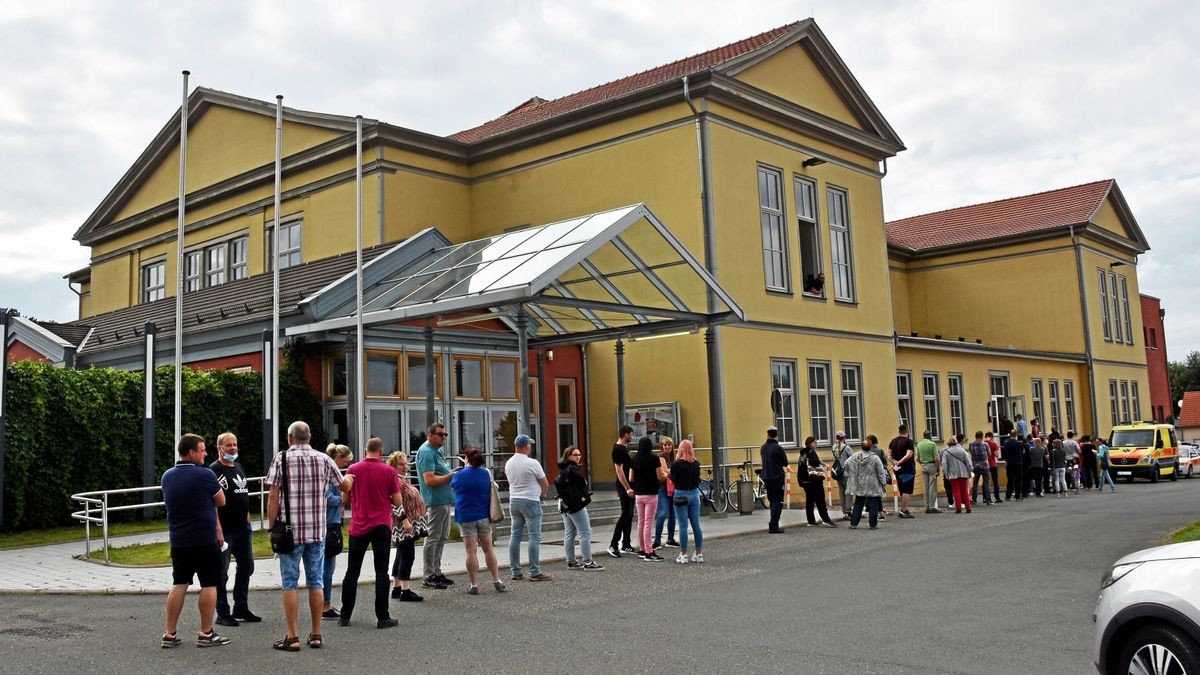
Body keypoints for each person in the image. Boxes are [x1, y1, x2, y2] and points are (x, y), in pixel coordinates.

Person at [266, 421, 353, 651]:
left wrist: (270, 525)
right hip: (317, 530)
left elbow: (273, 495)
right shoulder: (324, 459)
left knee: (290, 583)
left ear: (289, 437)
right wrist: (351, 479)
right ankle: (316, 634)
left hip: (289, 531)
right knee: (316, 582)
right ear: (310, 436)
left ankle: (292, 636)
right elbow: (343, 486)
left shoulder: (281, 458)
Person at [161, 433, 230, 648]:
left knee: (179, 583)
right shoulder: (205, 475)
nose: (205, 454)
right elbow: (221, 500)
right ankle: (206, 633)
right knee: (210, 584)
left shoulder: (167, 476)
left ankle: (169, 633)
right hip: (204, 539)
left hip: (179, 540)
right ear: (191, 452)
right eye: (202, 450)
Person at [339, 438, 403, 629]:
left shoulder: (353, 470)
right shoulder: (389, 472)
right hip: (381, 524)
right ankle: (383, 617)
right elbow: (398, 501)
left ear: (365, 450)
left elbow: (345, 497)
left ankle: (345, 614)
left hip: (359, 525)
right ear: (381, 451)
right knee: (381, 571)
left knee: (352, 571)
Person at [209, 432, 259, 627]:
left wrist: (247, 519)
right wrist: (217, 528)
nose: (233, 448)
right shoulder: (214, 470)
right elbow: (212, 502)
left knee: (247, 566)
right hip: (225, 529)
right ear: (219, 448)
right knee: (222, 571)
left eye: (235, 445)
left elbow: (242, 493)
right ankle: (222, 612)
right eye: (228, 445)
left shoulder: (238, 467)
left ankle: (241, 606)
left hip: (242, 528)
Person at [450, 448, 506, 594]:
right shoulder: (486, 473)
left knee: (470, 551)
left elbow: (454, 489)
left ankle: (474, 585)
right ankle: (497, 580)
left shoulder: (458, 475)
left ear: (467, 459)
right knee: (488, 549)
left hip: (466, 516)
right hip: (484, 515)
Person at [506, 434, 553, 580]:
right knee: (534, 537)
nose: (530, 447)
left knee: (515, 536)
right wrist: (542, 495)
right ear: (526, 446)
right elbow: (545, 483)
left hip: (514, 500)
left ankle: (515, 571)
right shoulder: (532, 463)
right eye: (530, 444)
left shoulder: (509, 463)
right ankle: (534, 571)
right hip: (531, 501)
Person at [416, 422, 455, 590]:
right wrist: (450, 476)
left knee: (441, 537)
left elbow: (441, 472)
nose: (443, 437)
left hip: (445, 501)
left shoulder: (437, 450)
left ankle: (436, 572)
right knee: (433, 537)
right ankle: (428, 575)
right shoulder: (426, 452)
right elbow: (429, 480)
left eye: (445, 434)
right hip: (435, 502)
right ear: (430, 435)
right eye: (440, 434)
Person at [555, 446, 604, 570]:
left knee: (569, 533)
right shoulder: (573, 470)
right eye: (575, 455)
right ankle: (587, 561)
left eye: (579, 455)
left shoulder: (563, 469)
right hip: (575, 505)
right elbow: (583, 483)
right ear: (568, 456)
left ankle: (571, 561)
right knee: (585, 532)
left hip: (564, 504)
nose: (578, 457)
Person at [387, 451, 426, 602]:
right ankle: (406, 590)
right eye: (402, 464)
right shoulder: (395, 480)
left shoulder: (400, 479)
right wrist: (405, 521)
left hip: (408, 522)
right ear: (393, 466)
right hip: (404, 524)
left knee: (401, 554)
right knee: (407, 555)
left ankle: (397, 587)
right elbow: (395, 503)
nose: (406, 467)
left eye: (406, 464)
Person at [321, 444, 353, 619]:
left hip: (331, 521)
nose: (346, 464)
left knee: (326, 566)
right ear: (338, 457)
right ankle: (325, 605)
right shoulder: (329, 474)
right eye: (345, 460)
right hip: (329, 523)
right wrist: (344, 496)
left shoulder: (329, 472)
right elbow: (327, 499)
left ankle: (325, 603)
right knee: (327, 567)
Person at [629, 436, 667, 561]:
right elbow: (660, 476)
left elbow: (631, 478)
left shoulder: (634, 459)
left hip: (639, 494)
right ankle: (649, 552)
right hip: (651, 493)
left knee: (641, 522)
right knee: (648, 523)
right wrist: (667, 475)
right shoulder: (654, 458)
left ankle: (641, 549)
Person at [670, 439, 704, 563]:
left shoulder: (676, 464)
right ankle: (699, 553)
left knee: (683, 526)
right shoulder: (696, 463)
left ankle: (684, 555)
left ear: (680, 449)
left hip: (680, 494)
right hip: (694, 494)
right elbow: (697, 478)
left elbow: (673, 480)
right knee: (696, 524)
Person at [844, 438, 889, 529]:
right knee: (873, 503)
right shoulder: (875, 458)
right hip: (872, 483)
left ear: (862, 447)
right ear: (870, 447)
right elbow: (880, 472)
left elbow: (846, 463)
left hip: (860, 483)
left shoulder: (855, 456)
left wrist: (853, 472)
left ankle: (854, 523)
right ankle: (872, 525)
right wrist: (883, 483)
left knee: (858, 502)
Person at [607, 425, 636, 558]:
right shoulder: (618, 449)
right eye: (631, 434)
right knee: (625, 514)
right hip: (624, 486)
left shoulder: (625, 448)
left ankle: (626, 544)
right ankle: (613, 544)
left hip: (631, 484)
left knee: (629, 515)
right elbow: (619, 470)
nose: (632, 436)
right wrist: (627, 487)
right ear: (625, 435)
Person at [798, 437, 837, 527]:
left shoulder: (802, 454)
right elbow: (815, 462)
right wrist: (820, 465)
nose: (816, 444)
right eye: (814, 442)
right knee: (820, 500)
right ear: (809, 444)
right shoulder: (811, 453)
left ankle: (811, 521)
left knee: (810, 501)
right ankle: (826, 519)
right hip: (813, 480)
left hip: (804, 480)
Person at [760, 426, 790, 533]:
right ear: (776, 435)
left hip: (766, 477)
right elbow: (785, 463)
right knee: (778, 501)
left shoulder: (763, 447)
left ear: (767, 435)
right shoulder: (778, 448)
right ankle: (774, 525)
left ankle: (773, 523)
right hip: (777, 477)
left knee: (772, 500)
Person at [652, 436, 679, 548]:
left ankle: (670, 539)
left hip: (674, 488)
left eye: (669, 444)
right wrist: (674, 470)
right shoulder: (661, 457)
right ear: (662, 447)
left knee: (673, 515)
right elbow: (664, 472)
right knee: (662, 514)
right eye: (665, 445)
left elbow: (670, 472)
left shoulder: (674, 457)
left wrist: (670, 472)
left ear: (672, 446)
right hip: (663, 488)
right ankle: (657, 540)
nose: (667, 447)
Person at [887, 425, 916, 518]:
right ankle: (903, 510)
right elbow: (909, 455)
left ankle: (905, 508)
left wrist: (894, 462)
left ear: (899, 431)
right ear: (907, 431)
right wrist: (900, 462)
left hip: (897, 470)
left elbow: (888, 455)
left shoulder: (893, 441)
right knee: (907, 490)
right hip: (908, 469)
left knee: (902, 489)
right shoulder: (909, 442)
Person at [940, 436, 973, 513]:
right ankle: (968, 507)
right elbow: (968, 462)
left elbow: (944, 464)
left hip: (953, 474)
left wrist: (945, 473)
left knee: (956, 491)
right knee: (965, 490)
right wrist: (969, 471)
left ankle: (958, 508)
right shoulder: (962, 450)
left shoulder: (946, 452)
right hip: (963, 473)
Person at [915, 430, 941, 514]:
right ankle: (932, 506)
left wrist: (922, 463)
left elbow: (917, 459)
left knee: (925, 486)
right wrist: (938, 468)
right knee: (932, 486)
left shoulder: (919, 444)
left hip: (923, 465)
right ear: (930, 436)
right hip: (931, 465)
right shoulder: (932, 444)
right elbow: (936, 458)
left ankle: (926, 506)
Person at [833, 431, 854, 520]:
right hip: (846, 473)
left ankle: (844, 511)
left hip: (838, 473)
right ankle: (849, 511)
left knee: (841, 492)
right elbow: (852, 458)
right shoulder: (846, 447)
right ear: (843, 438)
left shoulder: (834, 447)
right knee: (848, 492)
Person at [1002, 430, 1025, 502]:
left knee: (1010, 480)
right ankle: (1017, 496)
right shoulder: (1019, 443)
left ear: (1010, 435)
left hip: (1010, 463)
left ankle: (1008, 496)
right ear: (1016, 435)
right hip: (1018, 463)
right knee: (1018, 480)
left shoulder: (1006, 443)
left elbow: (1004, 453)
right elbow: (1023, 452)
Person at [985, 432, 1003, 503]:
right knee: (995, 481)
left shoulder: (983, 443)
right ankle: (997, 497)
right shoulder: (994, 444)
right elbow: (996, 454)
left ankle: (985, 497)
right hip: (992, 464)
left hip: (985, 465)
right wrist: (997, 456)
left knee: (986, 482)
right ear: (991, 437)